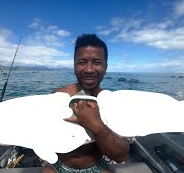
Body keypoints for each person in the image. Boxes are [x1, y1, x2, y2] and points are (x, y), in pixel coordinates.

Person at [42, 34, 129, 173]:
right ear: (74, 66)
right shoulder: (58, 95)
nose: (89, 69)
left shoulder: (110, 102)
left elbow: (120, 156)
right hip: (59, 166)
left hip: (96, 166)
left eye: (96, 62)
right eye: (82, 62)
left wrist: (96, 125)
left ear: (105, 67)